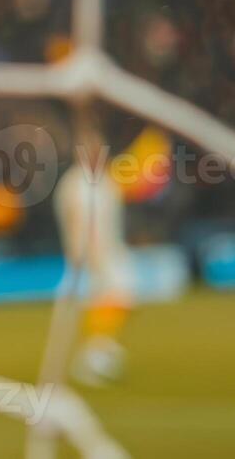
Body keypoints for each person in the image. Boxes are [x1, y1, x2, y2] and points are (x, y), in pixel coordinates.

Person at [53, 138, 135, 387]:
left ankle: (99, 349)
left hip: (111, 248)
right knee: (108, 297)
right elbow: (75, 219)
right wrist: (85, 251)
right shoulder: (76, 183)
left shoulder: (104, 180)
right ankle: (93, 355)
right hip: (90, 253)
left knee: (118, 297)